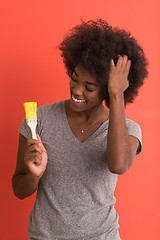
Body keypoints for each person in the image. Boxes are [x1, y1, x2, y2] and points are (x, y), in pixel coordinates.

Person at [12, 19, 148, 240]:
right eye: (74, 79)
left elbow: (118, 164)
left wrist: (117, 95)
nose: (77, 90)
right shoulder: (39, 120)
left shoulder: (127, 129)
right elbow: (19, 190)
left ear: (107, 90)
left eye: (89, 87)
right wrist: (34, 176)